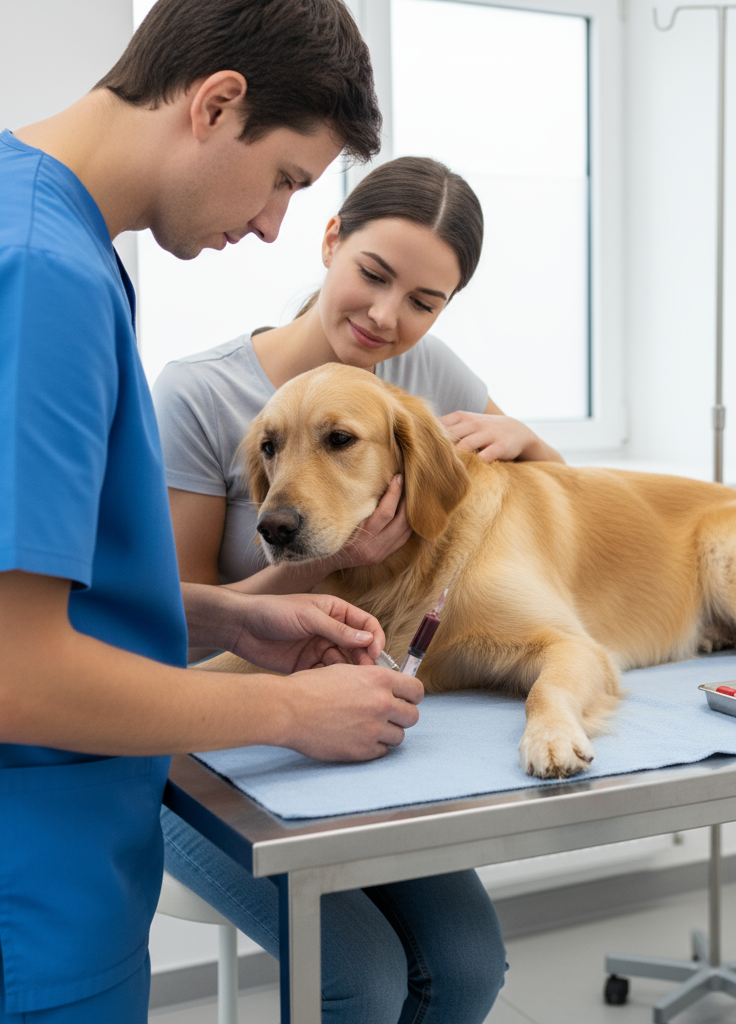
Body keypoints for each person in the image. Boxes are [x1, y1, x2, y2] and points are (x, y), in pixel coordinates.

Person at [0, 2, 430, 1022]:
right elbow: (14, 668)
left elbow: (51, 596)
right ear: (217, 102)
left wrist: (226, 616)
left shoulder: (46, 230)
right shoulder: (45, 276)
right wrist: (289, 712)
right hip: (35, 904)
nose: (278, 223)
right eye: (284, 177)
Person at [153, 156, 557, 1021]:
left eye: (423, 300)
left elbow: (548, 508)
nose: (387, 317)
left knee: (468, 967)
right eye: (373, 275)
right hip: (197, 753)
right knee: (363, 982)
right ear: (331, 240)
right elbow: (170, 631)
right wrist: (319, 559)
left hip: (357, 741)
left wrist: (530, 441)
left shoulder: (426, 379)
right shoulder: (200, 395)